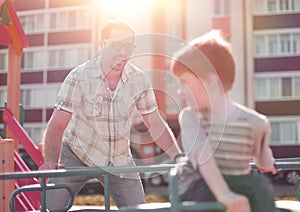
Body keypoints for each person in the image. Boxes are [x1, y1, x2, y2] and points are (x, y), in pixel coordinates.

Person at [39, 20, 184, 210]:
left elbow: (155, 123)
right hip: (78, 153)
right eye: (117, 45)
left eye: (128, 47)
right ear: (102, 44)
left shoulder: (138, 80)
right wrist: (50, 161)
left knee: (138, 208)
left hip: (118, 157)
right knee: (51, 207)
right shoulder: (79, 76)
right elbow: (58, 125)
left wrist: (177, 156)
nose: (123, 53)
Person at [170, 30, 279, 212]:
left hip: (236, 179)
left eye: (184, 82)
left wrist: (267, 164)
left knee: (260, 187)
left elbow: (262, 157)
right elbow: (203, 156)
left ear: (210, 81)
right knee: (206, 193)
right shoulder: (191, 118)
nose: (179, 92)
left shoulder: (256, 123)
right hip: (199, 181)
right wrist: (224, 194)